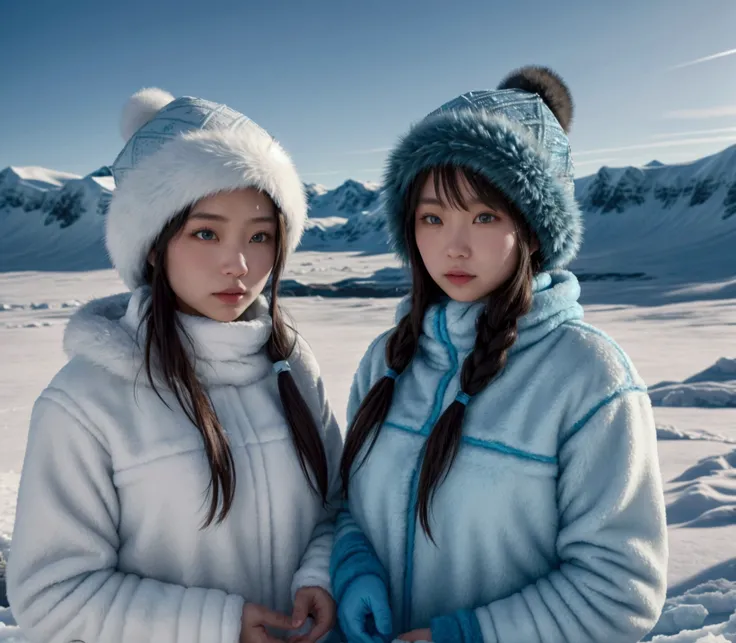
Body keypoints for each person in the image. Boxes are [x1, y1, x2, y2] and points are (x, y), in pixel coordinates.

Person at [330, 67, 668, 643]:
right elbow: (347, 506)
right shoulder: (387, 359)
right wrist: (352, 566)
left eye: (485, 216)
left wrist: (471, 635)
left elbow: (619, 587)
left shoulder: (587, 378)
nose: (454, 246)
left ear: (533, 229)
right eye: (432, 217)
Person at [7, 87, 342, 643]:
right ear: (155, 245)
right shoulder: (89, 399)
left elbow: (336, 504)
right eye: (205, 232)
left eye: (260, 236)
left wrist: (319, 573)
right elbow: (51, 596)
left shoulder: (289, 364)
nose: (238, 264)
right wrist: (215, 625)